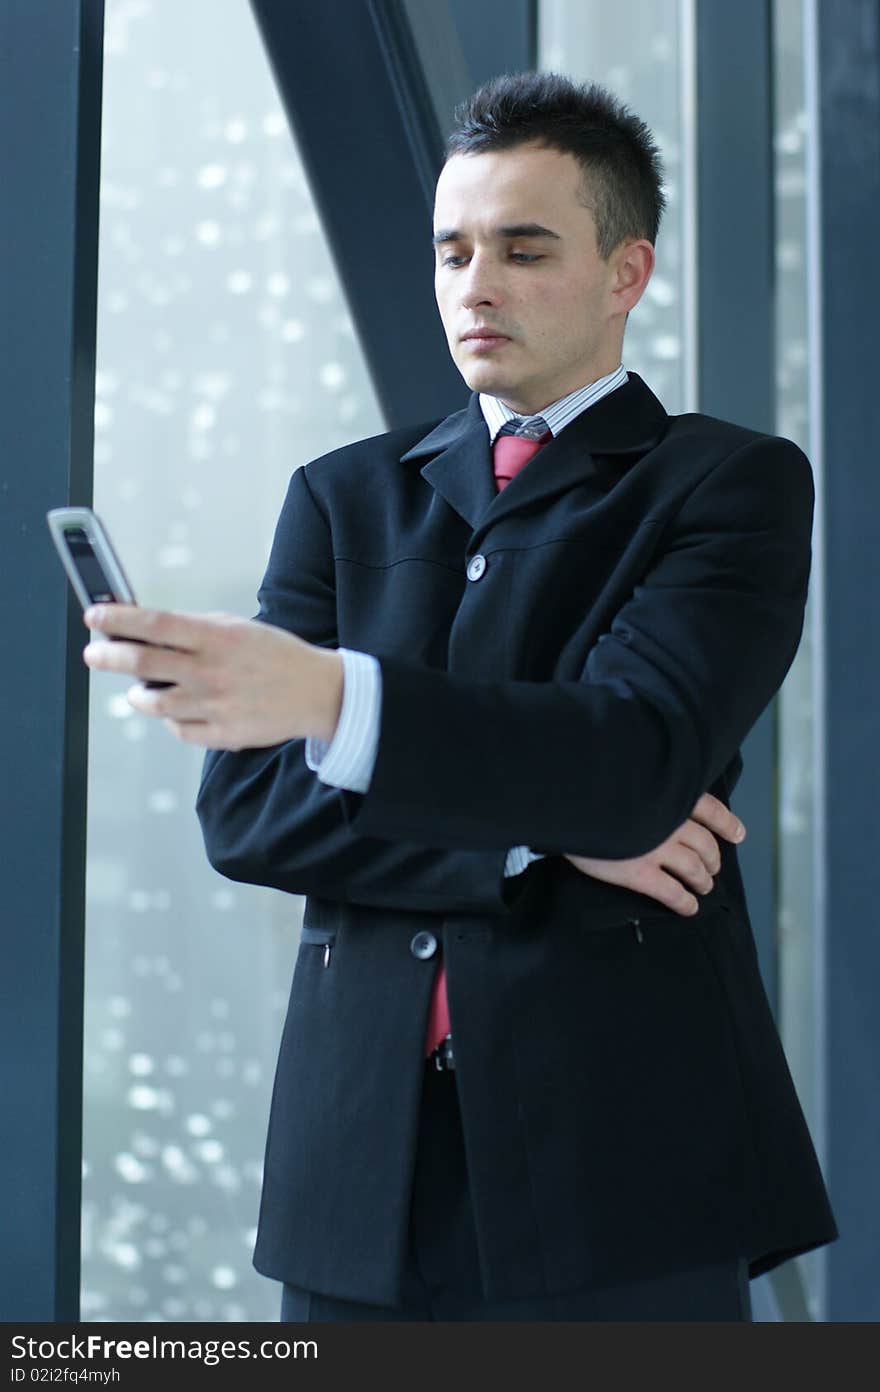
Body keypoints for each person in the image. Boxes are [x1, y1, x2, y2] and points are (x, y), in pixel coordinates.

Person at [83, 72, 837, 1321]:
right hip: (360, 1169)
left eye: (523, 249)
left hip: (622, 1165)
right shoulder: (343, 496)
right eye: (452, 251)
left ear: (624, 272)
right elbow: (251, 818)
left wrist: (337, 705)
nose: (473, 286)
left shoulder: (728, 486)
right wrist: (550, 839)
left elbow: (636, 757)